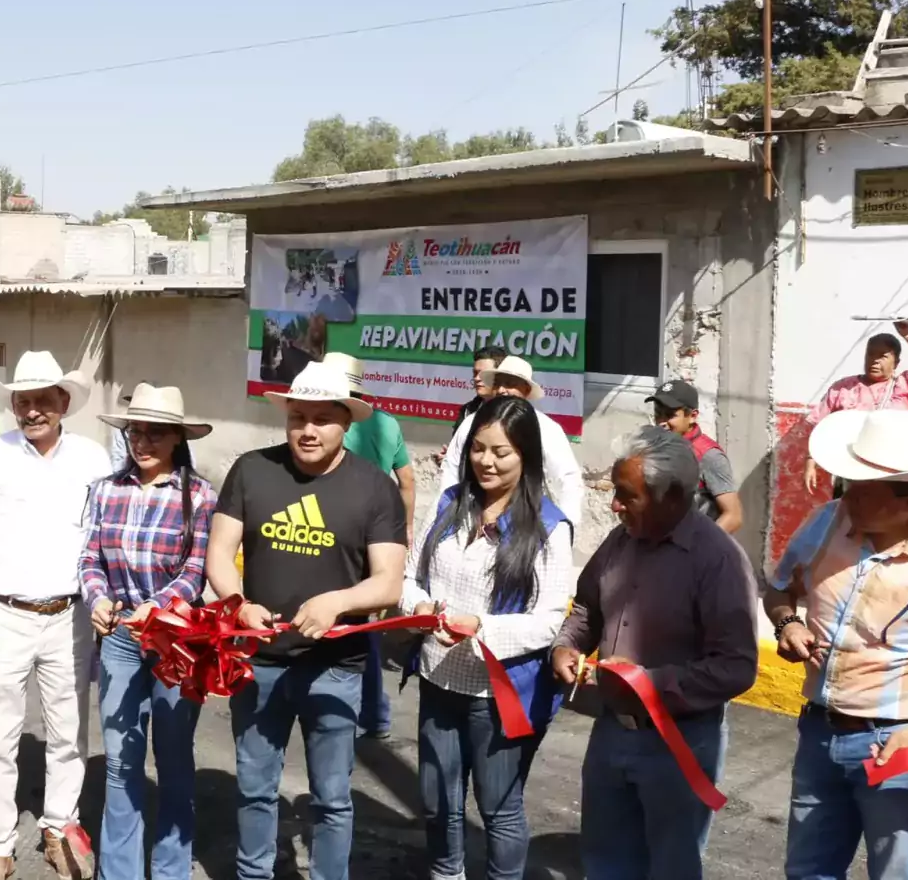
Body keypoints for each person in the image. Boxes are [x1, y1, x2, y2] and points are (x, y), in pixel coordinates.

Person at [205, 361, 407, 880]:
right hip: (260, 661)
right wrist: (236, 603)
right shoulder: (251, 470)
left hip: (335, 667)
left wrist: (336, 601)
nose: (308, 429)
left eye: (322, 419)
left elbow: (389, 582)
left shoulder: (374, 489)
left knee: (332, 798)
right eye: (298, 417)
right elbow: (219, 555)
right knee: (253, 786)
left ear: (347, 422)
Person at [550, 427, 759, 880]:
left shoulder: (717, 559)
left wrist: (648, 684)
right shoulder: (619, 541)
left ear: (674, 496)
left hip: (679, 742)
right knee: (606, 863)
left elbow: (737, 667)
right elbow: (587, 606)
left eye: (628, 496)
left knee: (670, 867)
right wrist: (566, 644)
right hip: (611, 734)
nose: (614, 506)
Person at [765, 409, 908, 880]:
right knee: (808, 870)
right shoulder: (826, 522)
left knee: (898, 874)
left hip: (902, 743)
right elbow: (779, 588)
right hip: (819, 731)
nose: (846, 497)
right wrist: (787, 622)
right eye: (848, 483)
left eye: (863, 490)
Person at [0, 351, 111, 880]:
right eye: (24, 401)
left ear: (64, 402)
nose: (34, 410)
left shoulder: (93, 458)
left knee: (68, 730)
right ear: (13, 404)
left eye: (44, 399)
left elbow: (105, 535)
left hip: (71, 615)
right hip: (2, 613)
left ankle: (60, 827)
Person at [401, 395, 573, 880]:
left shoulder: (548, 527)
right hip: (438, 680)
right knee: (438, 803)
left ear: (527, 457)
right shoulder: (451, 504)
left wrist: (483, 628)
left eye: (502, 452)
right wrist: (415, 605)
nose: (486, 462)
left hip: (498, 695)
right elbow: (411, 578)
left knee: (498, 809)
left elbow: (548, 619)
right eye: (478, 448)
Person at [81, 384, 216, 880]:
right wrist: (98, 599)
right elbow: (90, 557)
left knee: (175, 760)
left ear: (178, 439)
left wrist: (154, 609)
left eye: (156, 433)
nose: (144, 441)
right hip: (119, 637)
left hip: (177, 639)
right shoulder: (105, 489)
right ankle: (119, 872)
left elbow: (194, 572)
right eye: (137, 430)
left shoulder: (199, 496)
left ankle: (171, 870)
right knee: (121, 762)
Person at [323, 353, 414, 741]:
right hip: (379, 534)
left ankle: (345, 709)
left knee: (343, 618)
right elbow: (407, 481)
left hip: (338, 532)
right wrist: (404, 530)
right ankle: (375, 714)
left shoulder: (328, 422)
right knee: (366, 621)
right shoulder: (387, 423)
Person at [436, 356, 584, 528]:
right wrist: (445, 516)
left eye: (510, 383)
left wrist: (565, 528)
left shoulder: (546, 429)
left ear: (527, 390)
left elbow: (568, 480)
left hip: (523, 525)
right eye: (497, 383)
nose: (501, 390)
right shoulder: (472, 423)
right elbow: (451, 469)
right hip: (471, 519)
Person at [805, 320, 908, 494]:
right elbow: (820, 425)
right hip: (851, 473)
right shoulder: (843, 387)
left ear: (896, 362)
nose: (874, 360)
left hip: (892, 475)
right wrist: (811, 462)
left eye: (883, 356)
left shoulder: (905, 386)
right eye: (870, 354)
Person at [647, 379, 742, 533]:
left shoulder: (709, 455)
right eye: (658, 414)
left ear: (692, 416)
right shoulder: (656, 446)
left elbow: (733, 517)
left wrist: (699, 547)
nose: (661, 422)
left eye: (670, 415)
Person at [453, 346, 508, 435]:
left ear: (499, 375)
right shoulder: (468, 410)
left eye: (484, 373)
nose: (477, 378)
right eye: (475, 373)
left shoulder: (513, 411)